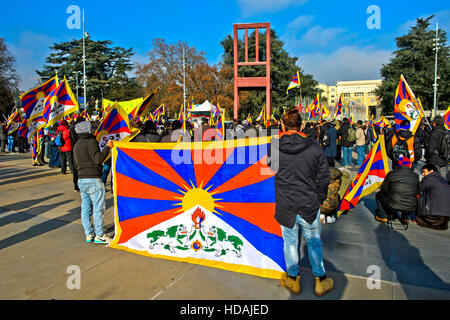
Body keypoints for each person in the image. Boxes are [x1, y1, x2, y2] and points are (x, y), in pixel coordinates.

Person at [270, 107, 334, 297]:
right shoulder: (314, 147)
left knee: (290, 242)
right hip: (308, 202)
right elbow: (324, 177)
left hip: (286, 202)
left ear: (282, 125)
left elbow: (270, 170)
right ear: (302, 125)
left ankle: (292, 279)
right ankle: (320, 280)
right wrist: (319, 198)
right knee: (314, 242)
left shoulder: (275, 146)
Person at [73, 120, 113, 244]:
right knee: (98, 208)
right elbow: (98, 159)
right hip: (93, 178)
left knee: (85, 208)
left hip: (82, 179)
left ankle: (89, 233)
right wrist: (108, 147)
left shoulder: (77, 144)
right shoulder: (91, 142)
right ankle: (100, 234)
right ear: (88, 130)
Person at [374, 156, 420, 225]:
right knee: (410, 196)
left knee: (379, 195)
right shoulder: (416, 176)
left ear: (398, 164)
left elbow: (384, 188)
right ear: (410, 165)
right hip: (410, 205)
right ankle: (405, 217)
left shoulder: (392, 174)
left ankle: (383, 216)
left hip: (393, 203)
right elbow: (417, 191)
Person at [415, 164, 450, 230]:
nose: (423, 174)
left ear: (431, 171)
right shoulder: (443, 179)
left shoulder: (428, 178)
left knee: (418, 196)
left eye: (424, 172)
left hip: (433, 215)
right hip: (446, 217)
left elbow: (418, 190)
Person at [320, 158, 342, 224]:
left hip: (318, 204)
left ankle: (321, 215)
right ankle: (330, 216)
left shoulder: (318, 173)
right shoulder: (338, 176)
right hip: (332, 205)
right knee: (336, 195)